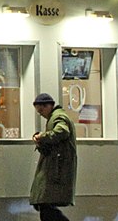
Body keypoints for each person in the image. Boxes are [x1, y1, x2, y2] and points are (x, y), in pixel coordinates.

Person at [30, 93, 77, 221]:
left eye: (41, 110)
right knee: (44, 204)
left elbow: (62, 131)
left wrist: (42, 137)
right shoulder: (56, 117)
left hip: (55, 169)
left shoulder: (58, 117)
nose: (41, 114)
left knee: (44, 203)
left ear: (48, 106)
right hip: (55, 167)